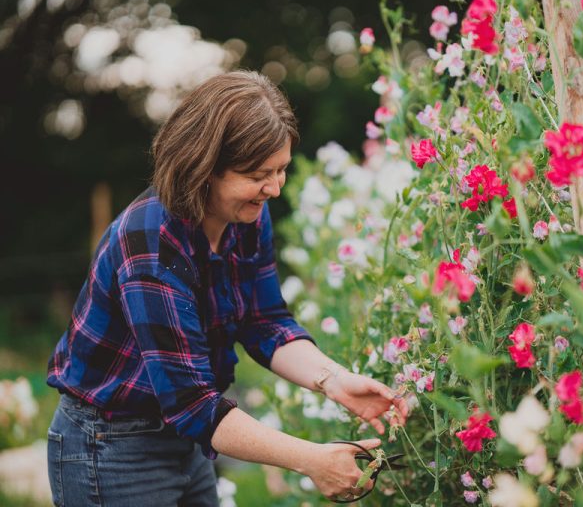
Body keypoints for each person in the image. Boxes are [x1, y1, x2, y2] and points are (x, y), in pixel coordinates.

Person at [46, 70, 409, 506]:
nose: (274, 189)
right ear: (203, 169)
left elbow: (264, 320)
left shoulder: (245, 216)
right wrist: (311, 459)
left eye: (281, 170)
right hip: (111, 445)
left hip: (188, 434)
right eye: (257, 174)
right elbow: (193, 403)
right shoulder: (152, 244)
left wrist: (335, 381)